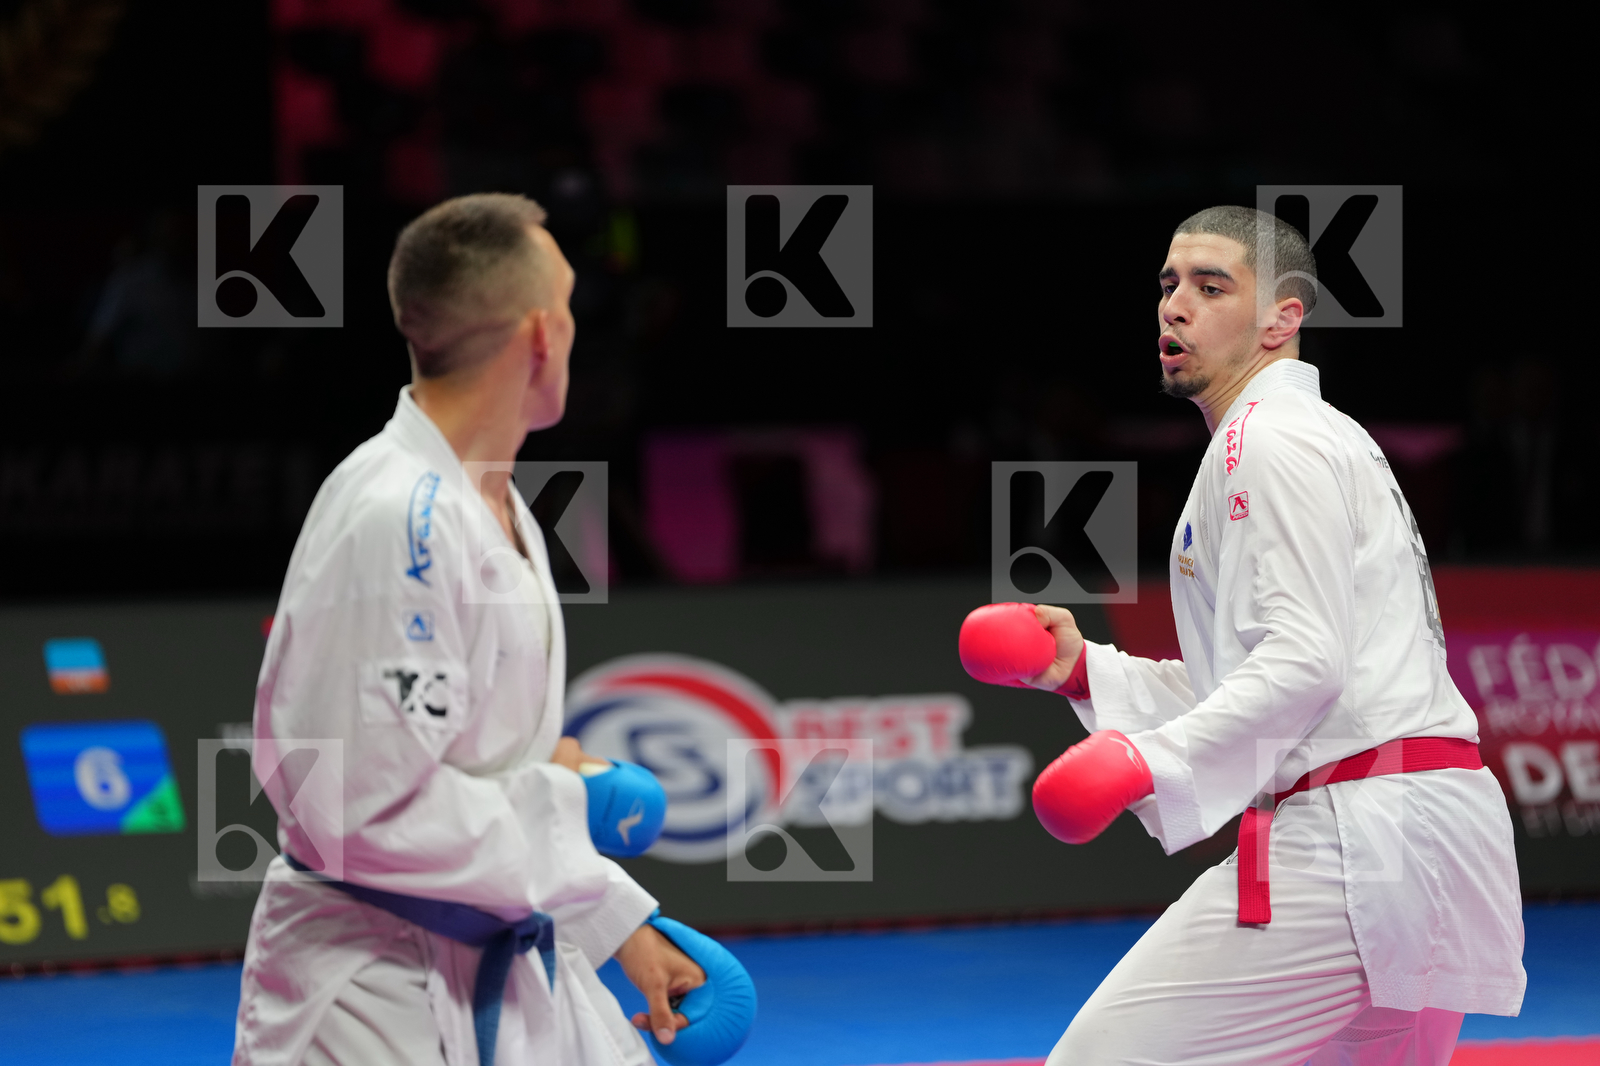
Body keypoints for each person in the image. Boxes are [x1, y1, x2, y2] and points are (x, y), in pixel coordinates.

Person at [959, 206, 1524, 1064]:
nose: (1175, 306)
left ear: (1282, 318)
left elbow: (1307, 663)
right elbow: (1276, 674)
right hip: (1422, 829)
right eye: (1168, 285)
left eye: (1211, 286)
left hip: (1357, 844)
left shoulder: (1272, 442)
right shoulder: (1301, 437)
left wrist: (1146, 760)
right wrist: (1088, 674)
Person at [233, 193, 703, 1066]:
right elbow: (355, 809)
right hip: (375, 1000)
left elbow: (488, 775)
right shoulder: (395, 518)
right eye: (566, 308)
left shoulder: (487, 499)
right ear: (537, 336)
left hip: (491, 958)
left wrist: (612, 920)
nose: (573, 332)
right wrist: (578, 801)